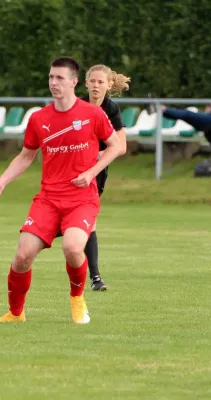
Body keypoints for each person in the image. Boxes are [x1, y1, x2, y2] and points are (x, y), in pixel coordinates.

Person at [0, 57, 123, 324]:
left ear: (74, 82)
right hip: (48, 199)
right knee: (22, 255)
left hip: (82, 198)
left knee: (73, 248)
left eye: (59, 78)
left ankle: (77, 300)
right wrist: (1, 181)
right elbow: (25, 157)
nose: (53, 83)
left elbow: (116, 146)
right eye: (51, 77)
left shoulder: (93, 114)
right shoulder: (39, 118)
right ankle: (15, 314)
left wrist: (91, 172)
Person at [76, 64, 130, 291]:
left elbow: (121, 147)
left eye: (101, 82)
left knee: (88, 223)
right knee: (83, 223)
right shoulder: (74, 106)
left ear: (109, 85)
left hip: (96, 172)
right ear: (86, 83)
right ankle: (96, 278)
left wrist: (96, 155)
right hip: (71, 170)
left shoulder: (111, 108)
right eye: (93, 81)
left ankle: (94, 277)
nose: (96, 86)